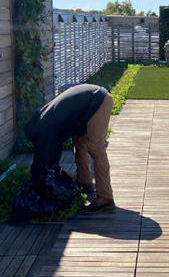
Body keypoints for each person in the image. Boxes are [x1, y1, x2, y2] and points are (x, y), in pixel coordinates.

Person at [24, 84, 115, 215]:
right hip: (85, 106)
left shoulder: (46, 126)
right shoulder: (44, 118)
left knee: (96, 149)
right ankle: (85, 182)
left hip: (98, 101)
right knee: (79, 142)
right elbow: (55, 147)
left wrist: (37, 176)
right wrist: (49, 172)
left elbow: (43, 154)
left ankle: (105, 198)